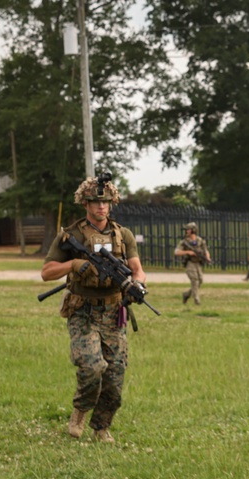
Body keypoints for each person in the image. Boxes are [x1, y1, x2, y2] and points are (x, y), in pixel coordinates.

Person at [40, 175, 146, 443]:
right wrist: (73, 265)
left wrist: (137, 287)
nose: (101, 207)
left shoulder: (123, 235)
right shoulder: (71, 235)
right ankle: (80, 411)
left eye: (106, 201)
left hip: (114, 312)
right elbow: (46, 273)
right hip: (82, 310)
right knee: (91, 365)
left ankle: (101, 427)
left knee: (115, 374)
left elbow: (138, 270)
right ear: (85, 203)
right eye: (95, 201)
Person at [174, 222, 211, 305]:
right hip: (190, 263)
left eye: (188, 229)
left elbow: (205, 250)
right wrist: (188, 252)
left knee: (200, 280)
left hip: (198, 263)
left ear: (193, 230)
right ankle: (197, 299)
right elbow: (176, 252)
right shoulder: (184, 241)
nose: (187, 231)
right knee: (194, 280)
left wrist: (207, 257)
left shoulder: (200, 240)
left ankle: (186, 294)